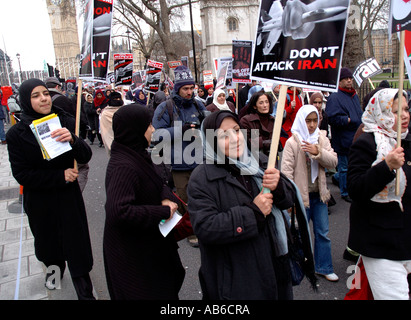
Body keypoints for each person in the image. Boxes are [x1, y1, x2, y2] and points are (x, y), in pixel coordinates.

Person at [187, 110, 316, 300]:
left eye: (237, 130)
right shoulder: (202, 178)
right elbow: (205, 227)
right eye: (223, 135)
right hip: (236, 280)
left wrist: (279, 187)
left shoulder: (260, 162)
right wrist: (253, 213)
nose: (234, 138)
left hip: (274, 267)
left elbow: (287, 201)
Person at [6, 79, 95, 300]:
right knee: (50, 247)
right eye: (35, 96)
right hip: (41, 202)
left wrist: (74, 140)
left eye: (45, 93)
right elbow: (22, 174)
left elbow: (85, 156)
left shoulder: (64, 120)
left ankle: (85, 293)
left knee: (76, 247)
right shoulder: (16, 134)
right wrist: (58, 176)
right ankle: (54, 277)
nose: (43, 98)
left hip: (68, 199)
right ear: (26, 100)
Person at [103, 104, 185, 300]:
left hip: (150, 245)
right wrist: (162, 212)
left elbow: (157, 180)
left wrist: (165, 195)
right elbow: (119, 211)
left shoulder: (136, 153)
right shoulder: (124, 166)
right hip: (134, 256)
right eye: (148, 125)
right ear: (136, 129)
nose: (153, 129)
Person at [347, 88, 411, 299]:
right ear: (380, 112)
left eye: (406, 109)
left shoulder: (406, 141)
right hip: (380, 243)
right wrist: (386, 167)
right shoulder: (366, 143)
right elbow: (356, 189)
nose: (403, 115)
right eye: (395, 111)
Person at [281, 105, 339, 282]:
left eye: (315, 120)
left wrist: (318, 152)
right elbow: (286, 173)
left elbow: (333, 162)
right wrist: (289, 200)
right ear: (301, 120)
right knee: (299, 233)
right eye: (308, 121)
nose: (312, 125)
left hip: (319, 195)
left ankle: (324, 266)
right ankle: (302, 265)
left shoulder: (322, 138)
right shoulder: (292, 142)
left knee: (322, 232)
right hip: (300, 198)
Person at [152, 65, 206, 247]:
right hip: (177, 162)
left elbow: (209, 127)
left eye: (192, 88)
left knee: (201, 195)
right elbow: (156, 135)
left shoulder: (199, 105)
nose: (190, 92)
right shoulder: (164, 108)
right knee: (184, 197)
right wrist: (180, 130)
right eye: (186, 89)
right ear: (177, 89)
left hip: (199, 160)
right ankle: (189, 229)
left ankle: (200, 224)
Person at [325, 67, 363, 203]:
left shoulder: (353, 95)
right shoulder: (335, 97)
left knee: (351, 166)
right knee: (344, 167)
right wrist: (346, 120)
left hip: (355, 137)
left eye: (350, 78)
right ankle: (345, 191)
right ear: (339, 81)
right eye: (346, 79)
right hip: (343, 139)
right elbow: (331, 117)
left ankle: (338, 179)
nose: (349, 81)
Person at [240, 90, 277, 157]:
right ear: (255, 106)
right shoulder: (246, 121)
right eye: (261, 103)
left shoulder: (273, 120)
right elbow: (244, 142)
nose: (265, 105)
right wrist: (263, 143)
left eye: (266, 102)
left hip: (271, 159)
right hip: (254, 160)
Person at [100, 91, 124, 155]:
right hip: (111, 138)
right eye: (116, 99)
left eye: (119, 99)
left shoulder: (125, 110)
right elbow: (105, 129)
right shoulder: (106, 113)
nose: (118, 100)